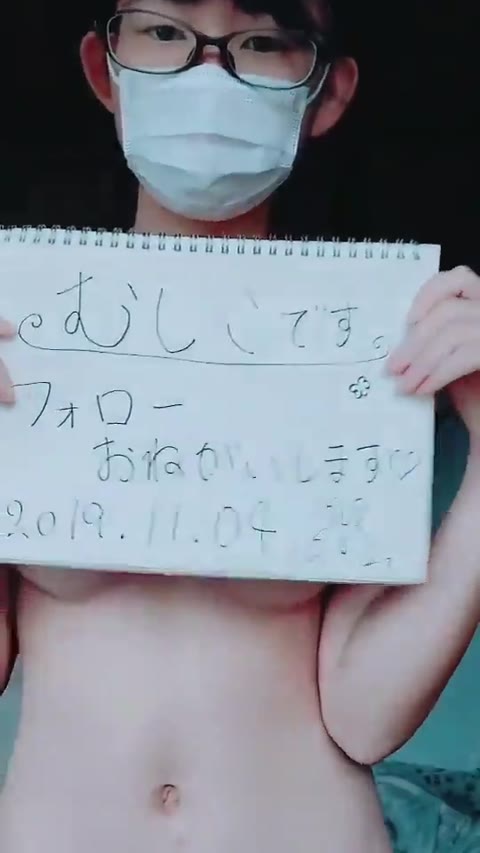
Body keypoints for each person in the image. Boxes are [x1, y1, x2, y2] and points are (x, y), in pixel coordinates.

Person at [1, 1, 480, 851]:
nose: (208, 75)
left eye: (261, 41)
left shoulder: (365, 345)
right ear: (106, 68)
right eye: (164, 31)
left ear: (326, 91)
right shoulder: (18, 327)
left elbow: (364, 715)